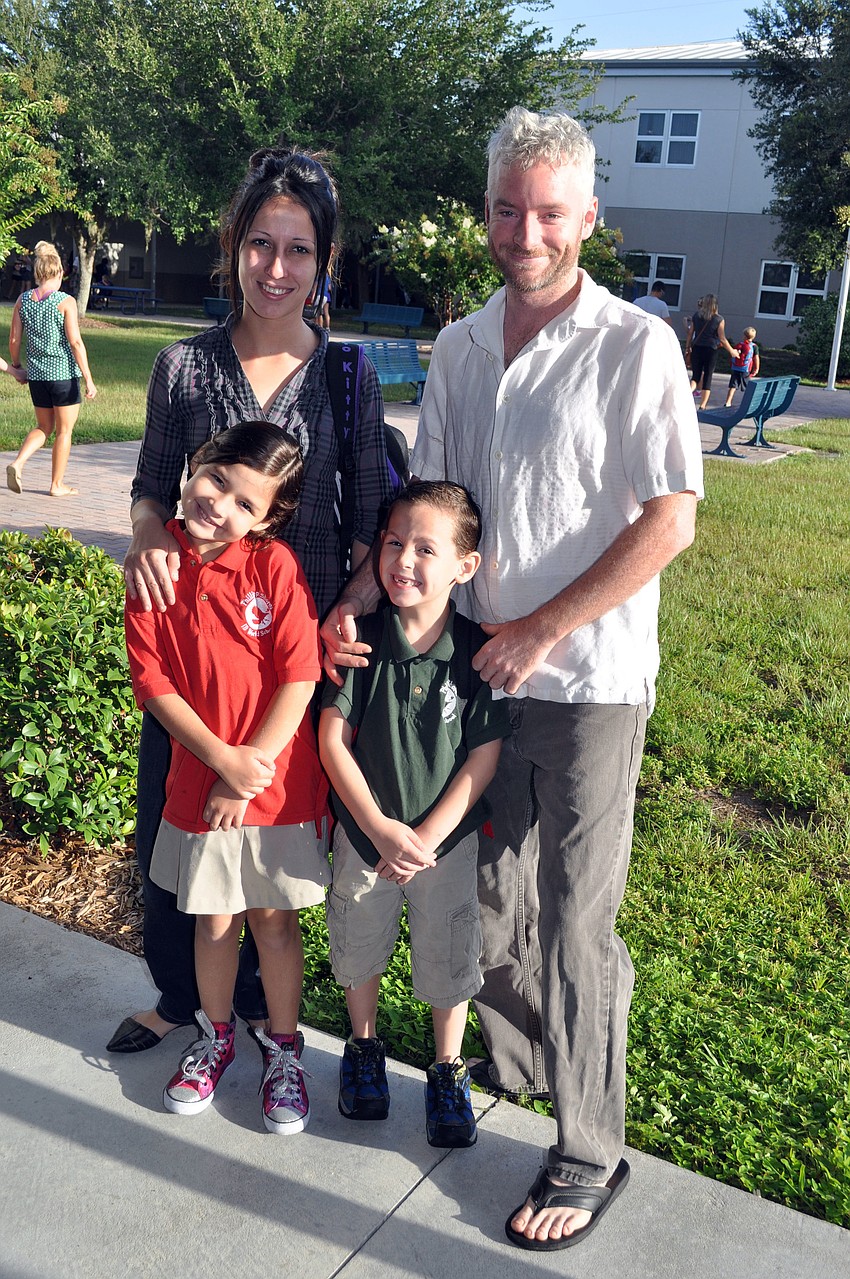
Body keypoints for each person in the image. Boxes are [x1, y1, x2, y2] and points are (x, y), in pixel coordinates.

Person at [322, 105, 703, 1251]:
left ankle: (590, 1147)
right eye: (505, 206)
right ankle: (532, 1071)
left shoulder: (634, 344)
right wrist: (358, 596)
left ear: (589, 217)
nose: (523, 229)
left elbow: (670, 521)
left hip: (584, 685)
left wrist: (540, 627)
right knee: (495, 907)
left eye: (548, 210)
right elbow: (426, 514)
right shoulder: (463, 343)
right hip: (471, 687)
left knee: (576, 924)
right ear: (485, 211)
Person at [107, 145, 393, 1056]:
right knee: (178, 821)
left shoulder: (346, 381)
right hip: (194, 657)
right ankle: (180, 997)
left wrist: (344, 610)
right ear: (234, 247)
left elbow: (369, 527)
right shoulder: (183, 369)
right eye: (261, 244)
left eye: (299, 249)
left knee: (274, 858)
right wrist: (151, 530)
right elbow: (153, 482)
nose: (277, 268)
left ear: (324, 262)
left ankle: (283, 1029)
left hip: (291, 669)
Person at [125, 422, 329, 1132]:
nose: (222, 505)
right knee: (213, 921)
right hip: (201, 786)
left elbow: (300, 676)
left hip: (274, 788)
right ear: (194, 466)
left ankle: (283, 1047)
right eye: (216, 480)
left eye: (246, 503)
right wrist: (221, 761)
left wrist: (247, 772)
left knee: (273, 922)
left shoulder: (272, 567)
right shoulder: (155, 567)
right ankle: (215, 1038)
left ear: (267, 518)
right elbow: (153, 685)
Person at [319, 481, 510, 1148]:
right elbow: (331, 739)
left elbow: (483, 756)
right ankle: (364, 1048)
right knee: (360, 938)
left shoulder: (474, 652)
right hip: (365, 837)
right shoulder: (358, 640)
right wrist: (376, 825)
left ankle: (448, 1068)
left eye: (425, 548)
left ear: (466, 566)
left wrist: (425, 835)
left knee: (447, 951)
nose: (402, 559)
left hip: (444, 845)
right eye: (394, 542)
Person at [6, 240, 97, 498]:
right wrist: (89, 379)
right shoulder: (65, 301)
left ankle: (18, 462)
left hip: (37, 377)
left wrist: (16, 366)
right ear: (58, 273)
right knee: (64, 431)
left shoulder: (23, 300)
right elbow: (76, 342)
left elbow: (14, 339)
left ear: (37, 274)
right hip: (64, 377)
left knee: (43, 427)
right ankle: (57, 484)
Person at [684, 293, 736, 409]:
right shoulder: (719, 319)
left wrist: (687, 348)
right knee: (707, 377)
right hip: (711, 350)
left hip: (697, 348)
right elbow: (722, 338)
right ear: (715, 305)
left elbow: (690, 333)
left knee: (695, 377)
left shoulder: (696, 316)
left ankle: (685, 395)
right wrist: (732, 351)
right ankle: (702, 406)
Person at [724, 326, 759, 407]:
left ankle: (728, 402)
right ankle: (749, 403)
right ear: (753, 337)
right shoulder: (754, 346)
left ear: (744, 336)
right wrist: (756, 369)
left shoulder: (740, 345)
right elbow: (756, 358)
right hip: (745, 370)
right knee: (747, 387)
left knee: (733, 386)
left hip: (736, 368)